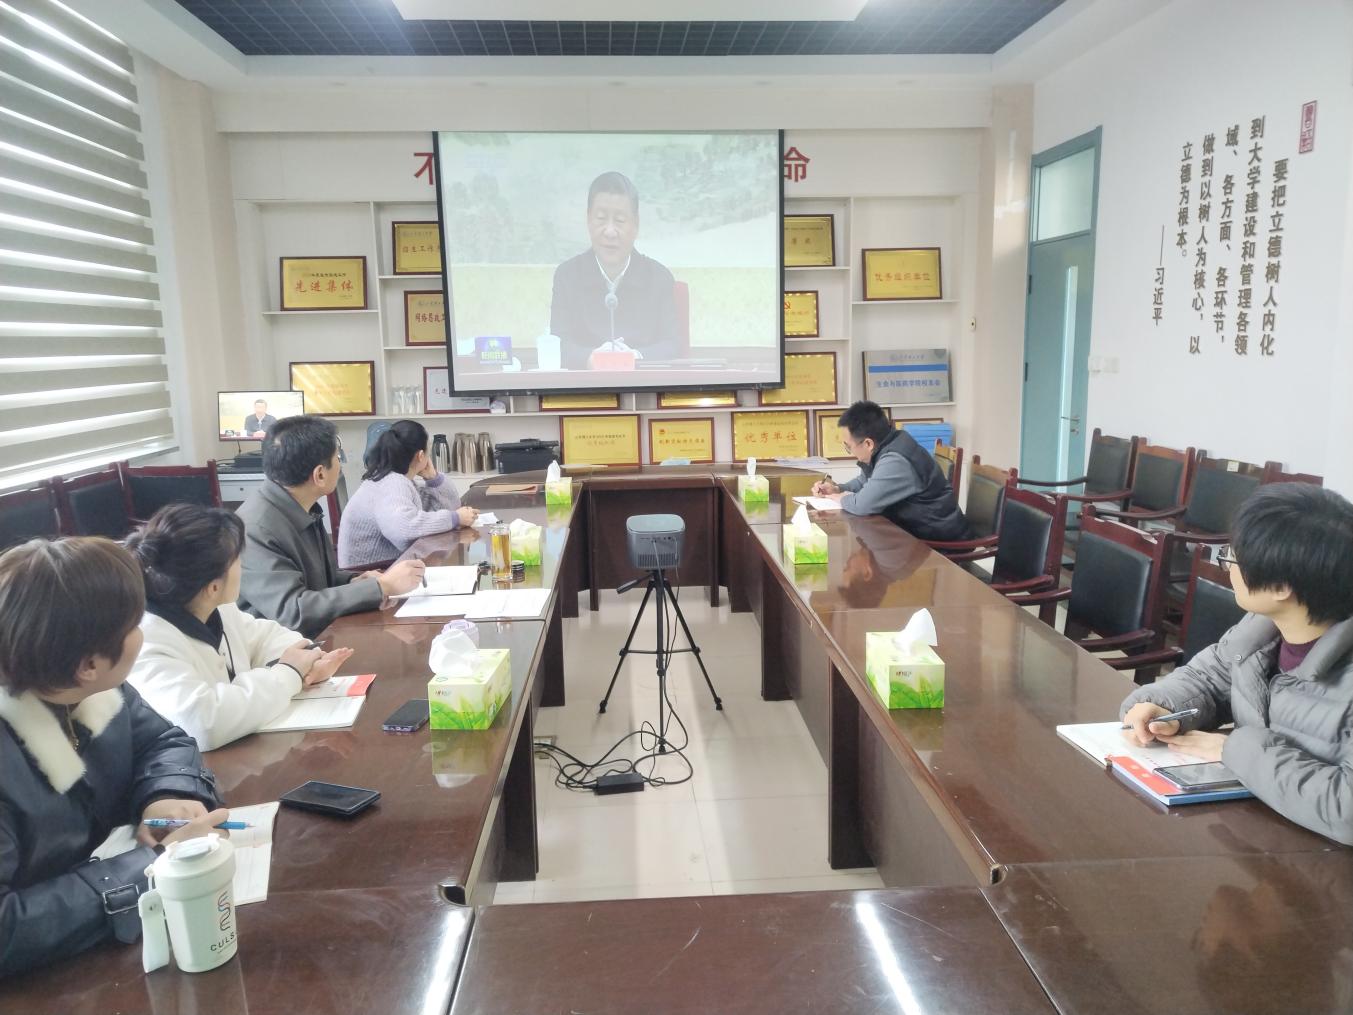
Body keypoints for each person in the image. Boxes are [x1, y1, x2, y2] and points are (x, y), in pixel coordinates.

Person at [0, 537, 228, 977]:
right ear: (88, 664)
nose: (143, 631)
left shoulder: (91, 689)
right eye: (134, 624)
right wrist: (150, 867)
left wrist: (166, 795)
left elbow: (163, 742)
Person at [1121, 483, 1353, 845]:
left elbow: (1346, 810)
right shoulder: (1261, 629)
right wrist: (1161, 707)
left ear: (1281, 587)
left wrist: (1235, 751)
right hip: (1258, 833)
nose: (1228, 564)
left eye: (1233, 556)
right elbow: (1209, 678)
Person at [127, 503, 355, 751]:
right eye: (237, 560)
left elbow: (266, 638)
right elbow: (203, 724)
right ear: (213, 587)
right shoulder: (146, 639)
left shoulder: (215, 607)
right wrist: (290, 674)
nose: (242, 566)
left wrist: (309, 660)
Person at [236, 414, 425, 638]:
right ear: (319, 474)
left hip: (315, 640)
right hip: (279, 651)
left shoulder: (298, 507)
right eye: (337, 458)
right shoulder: (255, 529)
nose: (340, 465)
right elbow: (293, 611)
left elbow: (317, 580)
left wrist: (354, 581)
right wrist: (381, 587)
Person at [548, 171, 680, 369]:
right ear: (588, 220)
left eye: (619, 220)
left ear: (636, 225)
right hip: (586, 385)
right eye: (601, 218)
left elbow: (672, 344)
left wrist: (634, 357)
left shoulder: (659, 278)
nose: (610, 231)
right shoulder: (567, 276)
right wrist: (591, 358)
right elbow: (558, 344)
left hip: (642, 384)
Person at [811, 400, 970, 542]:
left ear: (868, 444)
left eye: (848, 446)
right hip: (913, 531)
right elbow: (864, 481)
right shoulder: (890, 441)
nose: (850, 451)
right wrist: (837, 489)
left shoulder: (895, 460)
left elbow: (862, 505)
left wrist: (839, 498)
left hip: (937, 538)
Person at [337, 420, 478, 569]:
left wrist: (433, 477)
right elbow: (404, 530)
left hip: (384, 568)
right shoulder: (392, 483)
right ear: (421, 455)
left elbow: (449, 507)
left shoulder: (397, 479)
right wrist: (455, 518)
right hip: (370, 574)